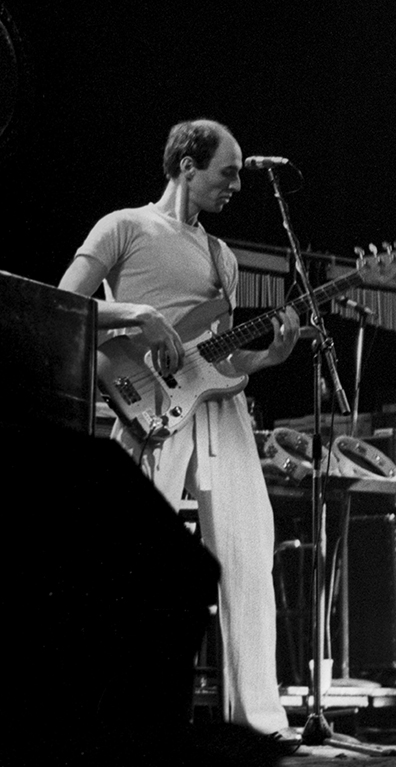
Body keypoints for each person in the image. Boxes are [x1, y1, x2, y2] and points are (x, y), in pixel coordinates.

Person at [59, 119, 302, 742]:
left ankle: (258, 720)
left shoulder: (224, 257)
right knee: (131, 557)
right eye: (227, 172)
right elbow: (62, 304)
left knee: (249, 550)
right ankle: (106, 714)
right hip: (147, 405)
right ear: (187, 165)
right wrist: (138, 313)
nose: (236, 186)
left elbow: (221, 359)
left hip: (219, 410)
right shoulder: (125, 227)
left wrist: (267, 358)